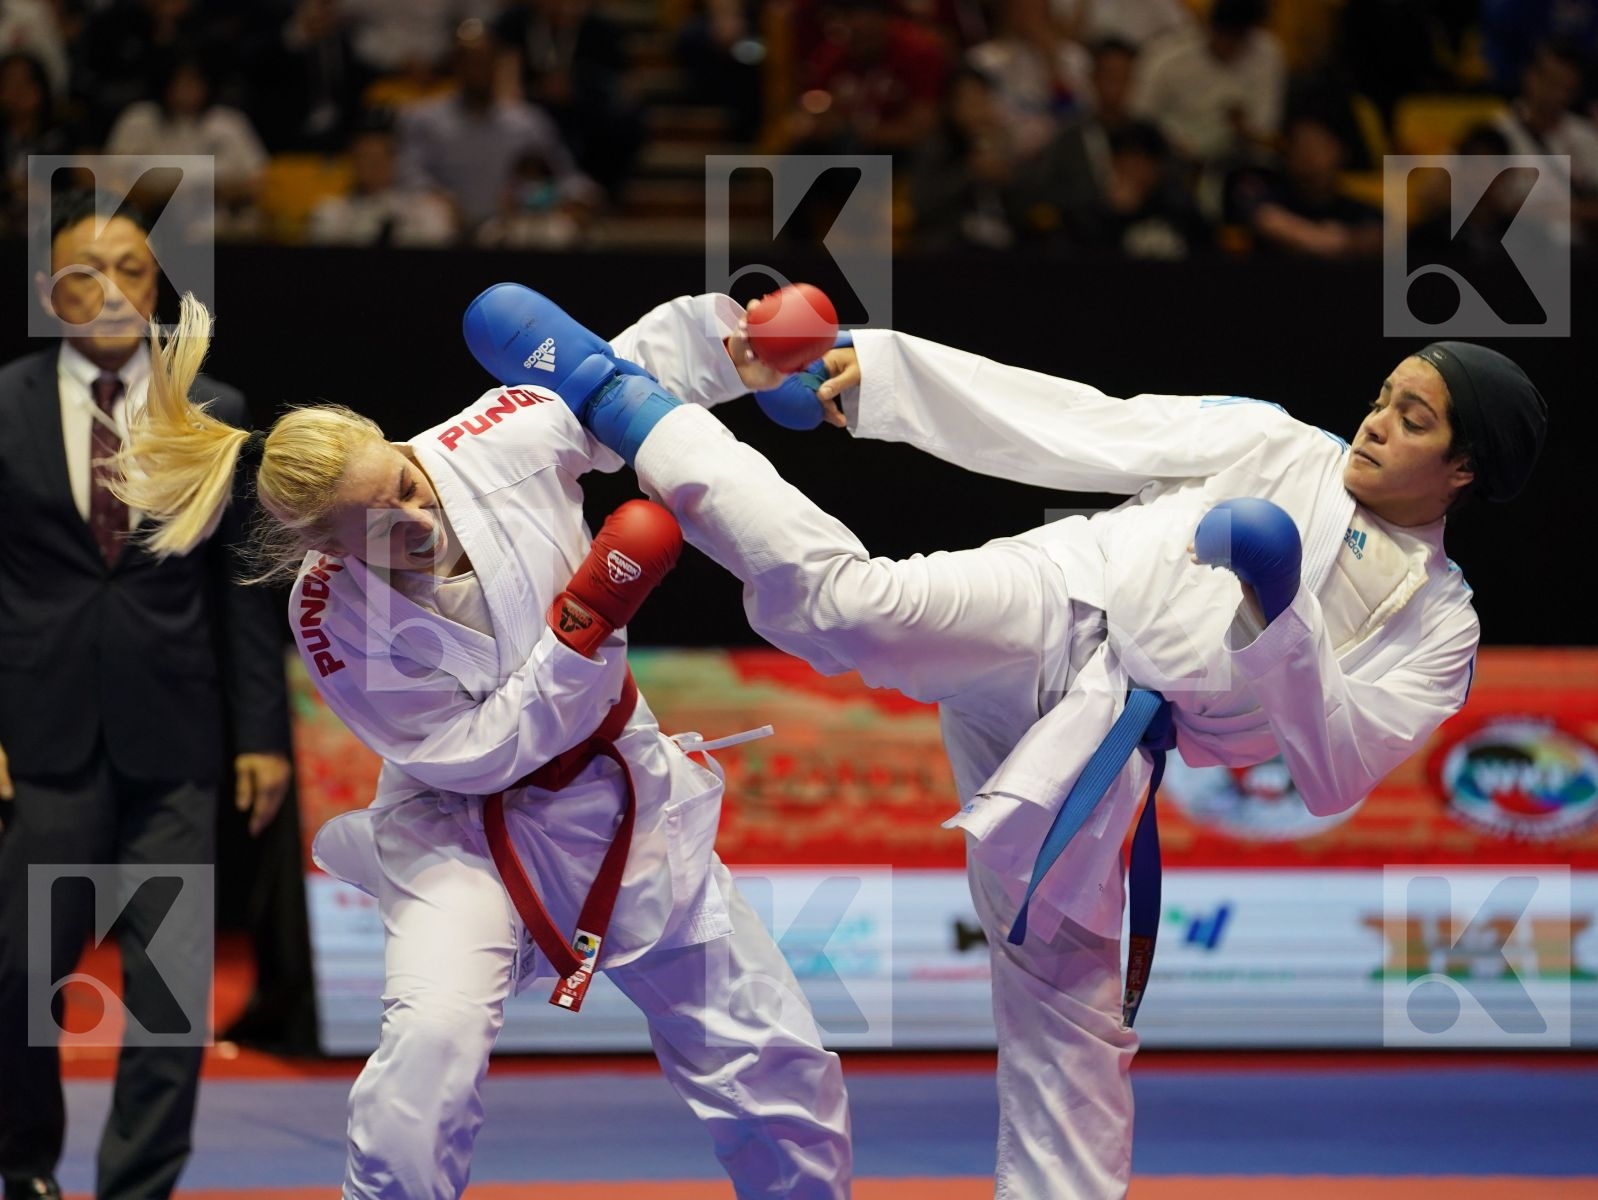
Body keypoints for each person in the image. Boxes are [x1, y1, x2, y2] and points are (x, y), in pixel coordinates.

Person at [465, 285, 1546, 1199]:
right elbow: (1083, 422)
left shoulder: (1437, 627)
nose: (1373, 423)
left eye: (1412, 420)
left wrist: (1282, 615)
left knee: (1066, 1011)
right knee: (850, 609)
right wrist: (879, 377)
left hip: (1109, 744)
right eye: (1383, 398)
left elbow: (1332, 774)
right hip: (1060, 598)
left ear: (1461, 472)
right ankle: (629, 399)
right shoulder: (1276, 446)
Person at [111, 291, 852, 1200]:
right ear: (322, 548)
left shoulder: (498, 437)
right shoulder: (326, 614)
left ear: (402, 446)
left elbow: (626, 377)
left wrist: (747, 344)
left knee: (771, 1059)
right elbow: (472, 753)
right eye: (378, 528)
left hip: (623, 794)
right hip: (458, 830)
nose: (415, 521)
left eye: (408, 489)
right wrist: (582, 636)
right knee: (428, 1056)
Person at [0, 192, 291, 1200]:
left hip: (177, 736)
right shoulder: (5, 405)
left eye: (132, 268)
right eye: (88, 270)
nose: (113, 288)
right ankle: (23, 1163)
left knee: (168, 988)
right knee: (19, 971)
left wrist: (261, 733)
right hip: (39, 739)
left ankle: (139, 1185)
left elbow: (241, 587)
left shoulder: (212, 409)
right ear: (51, 292)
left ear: (157, 288)